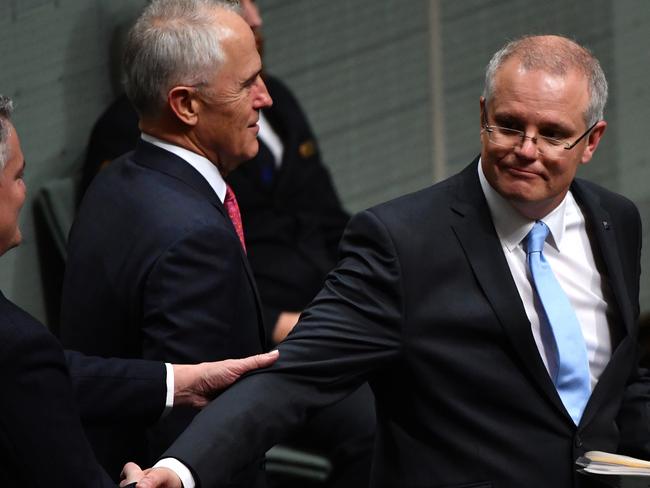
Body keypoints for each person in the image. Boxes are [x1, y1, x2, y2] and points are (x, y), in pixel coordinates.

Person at [126, 34, 650, 488]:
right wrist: (181, 468)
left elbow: (618, 382)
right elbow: (297, 376)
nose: (526, 149)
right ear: (483, 114)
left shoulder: (614, 221)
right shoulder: (403, 243)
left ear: (591, 141)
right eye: (509, 126)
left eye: (553, 134)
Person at [0, 95, 278, 487]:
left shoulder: (112, 184)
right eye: (17, 176)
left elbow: (51, 375)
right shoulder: (16, 345)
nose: (23, 192)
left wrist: (178, 383)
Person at [60, 0, 276, 483]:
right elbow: (192, 426)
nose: (266, 97)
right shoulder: (195, 239)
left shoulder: (115, 181)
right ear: (186, 105)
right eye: (246, 85)